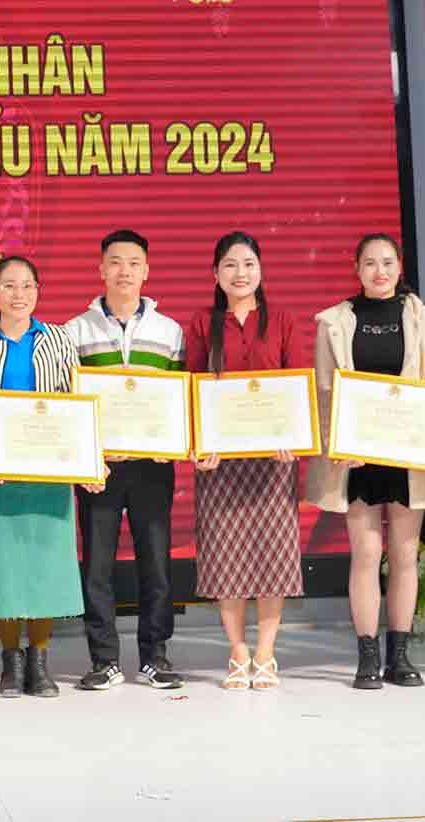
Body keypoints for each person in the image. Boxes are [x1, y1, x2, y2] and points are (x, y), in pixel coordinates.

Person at [307, 233, 425, 690]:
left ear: (399, 267)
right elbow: (325, 391)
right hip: (358, 457)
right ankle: (367, 655)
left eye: (387, 262)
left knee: (406, 554)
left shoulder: (424, 319)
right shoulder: (335, 321)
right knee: (367, 553)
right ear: (356, 269)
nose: (379, 271)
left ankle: (401, 655)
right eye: (369, 263)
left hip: (410, 454)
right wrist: (336, 442)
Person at [63, 229, 187, 691]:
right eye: (115, 262)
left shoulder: (169, 332)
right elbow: (68, 402)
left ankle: (156, 656)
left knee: (156, 564)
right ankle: (104, 660)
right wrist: (84, 461)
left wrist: (172, 439)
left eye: (134, 263)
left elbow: (179, 399)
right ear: (100, 269)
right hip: (100, 470)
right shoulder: (74, 331)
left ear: (147, 271)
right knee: (97, 567)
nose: (124, 272)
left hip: (153, 466)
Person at [186, 231, 307, 692]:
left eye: (249, 264)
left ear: (261, 270)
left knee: (272, 555)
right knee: (226, 556)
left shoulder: (282, 321)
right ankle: (237, 650)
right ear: (216, 273)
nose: (241, 273)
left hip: (272, 461)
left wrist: (292, 438)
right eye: (231, 265)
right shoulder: (201, 323)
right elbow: (195, 387)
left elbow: (295, 382)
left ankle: (266, 651)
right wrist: (202, 442)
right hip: (220, 462)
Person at [0, 256, 85, 698]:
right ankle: (9, 662)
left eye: (28, 286)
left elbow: (76, 401)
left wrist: (84, 461)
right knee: (6, 566)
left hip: (49, 470)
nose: (20, 295)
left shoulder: (58, 339)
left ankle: (40, 660)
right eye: (10, 286)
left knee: (44, 564)